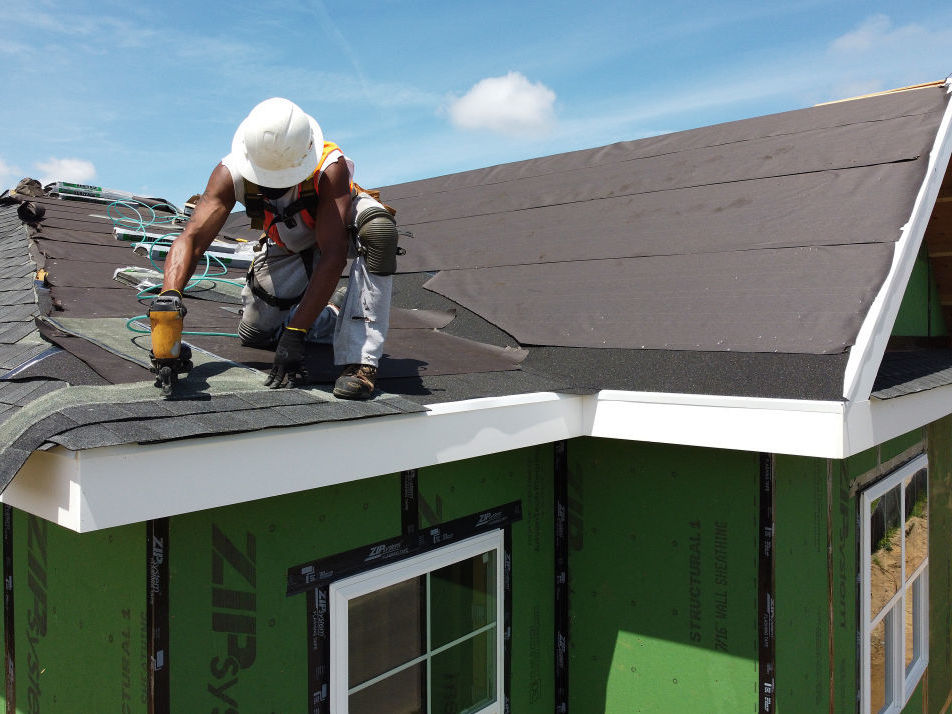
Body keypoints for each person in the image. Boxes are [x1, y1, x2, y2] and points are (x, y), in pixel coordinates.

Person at [151, 98, 398, 399]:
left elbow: (332, 255)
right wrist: (169, 302)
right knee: (255, 334)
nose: (273, 185)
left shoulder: (329, 168)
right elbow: (192, 238)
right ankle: (329, 313)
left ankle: (360, 361)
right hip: (289, 243)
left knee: (379, 232)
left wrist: (296, 333)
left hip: (337, 226)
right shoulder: (231, 173)